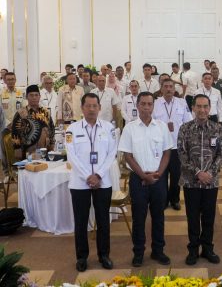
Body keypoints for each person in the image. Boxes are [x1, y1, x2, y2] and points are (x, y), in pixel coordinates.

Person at [118, 92, 173, 267]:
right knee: (138, 217)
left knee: (159, 216)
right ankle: (139, 252)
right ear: (138, 106)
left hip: (158, 178)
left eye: (150, 104)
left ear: (153, 106)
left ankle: (158, 251)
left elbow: (167, 152)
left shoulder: (162, 127)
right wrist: (143, 176)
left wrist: (158, 174)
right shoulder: (130, 128)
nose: (146, 107)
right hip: (138, 179)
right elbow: (127, 155)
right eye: (143, 104)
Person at [65, 93, 117, 272]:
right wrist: (88, 175)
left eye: (95, 106)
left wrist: (99, 175)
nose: (92, 109)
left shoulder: (109, 128)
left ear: (99, 108)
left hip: (103, 182)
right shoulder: (72, 129)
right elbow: (72, 156)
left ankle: (104, 255)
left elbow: (112, 153)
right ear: (82, 107)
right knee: (81, 221)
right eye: (88, 106)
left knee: (103, 220)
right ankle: (81, 257)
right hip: (80, 183)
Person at [177, 94, 222, 265]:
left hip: (211, 182)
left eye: (205, 106)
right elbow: (182, 155)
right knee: (192, 217)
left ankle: (207, 249)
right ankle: (193, 250)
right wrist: (198, 173)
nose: (202, 110)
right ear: (193, 108)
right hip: (191, 182)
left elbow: (221, 154)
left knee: (209, 217)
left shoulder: (217, 128)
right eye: (199, 106)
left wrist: (210, 173)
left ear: (210, 108)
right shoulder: (185, 128)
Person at [153, 79, 192, 210]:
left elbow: (188, 123)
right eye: (166, 87)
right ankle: (163, 200)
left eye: (171, 86)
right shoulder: (156, 103)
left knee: (176, 176)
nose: (169, 89)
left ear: (175, 89)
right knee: (161, 175)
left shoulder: (181, 103)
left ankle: (174, 199)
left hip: (177, 146)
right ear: (161, 89)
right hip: (161, 146)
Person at [11, 84, 55, 160]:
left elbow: (51, 129)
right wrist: (17, 149)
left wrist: (51, 146)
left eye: (36, 95)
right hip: (27, 153)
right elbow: (15, 133)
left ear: (39, 97)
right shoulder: (21, 113)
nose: (34, 97)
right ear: (26, 97)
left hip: (45, 151)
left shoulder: (45, 112)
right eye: (31, 95)